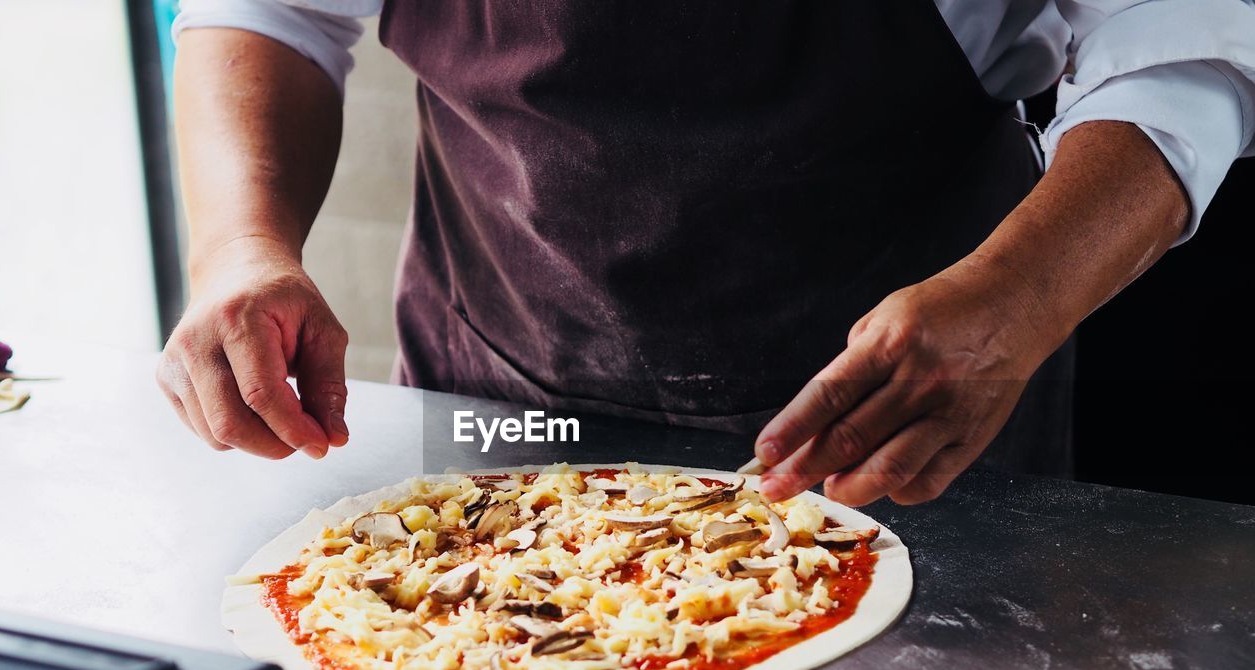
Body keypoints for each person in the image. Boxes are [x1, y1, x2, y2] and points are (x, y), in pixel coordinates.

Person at [158, 0, 1255, 505]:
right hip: (507, 387)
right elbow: (270, 8)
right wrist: (243, 247)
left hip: (914, 404)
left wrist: (1017, 298)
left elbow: (1179, 49)